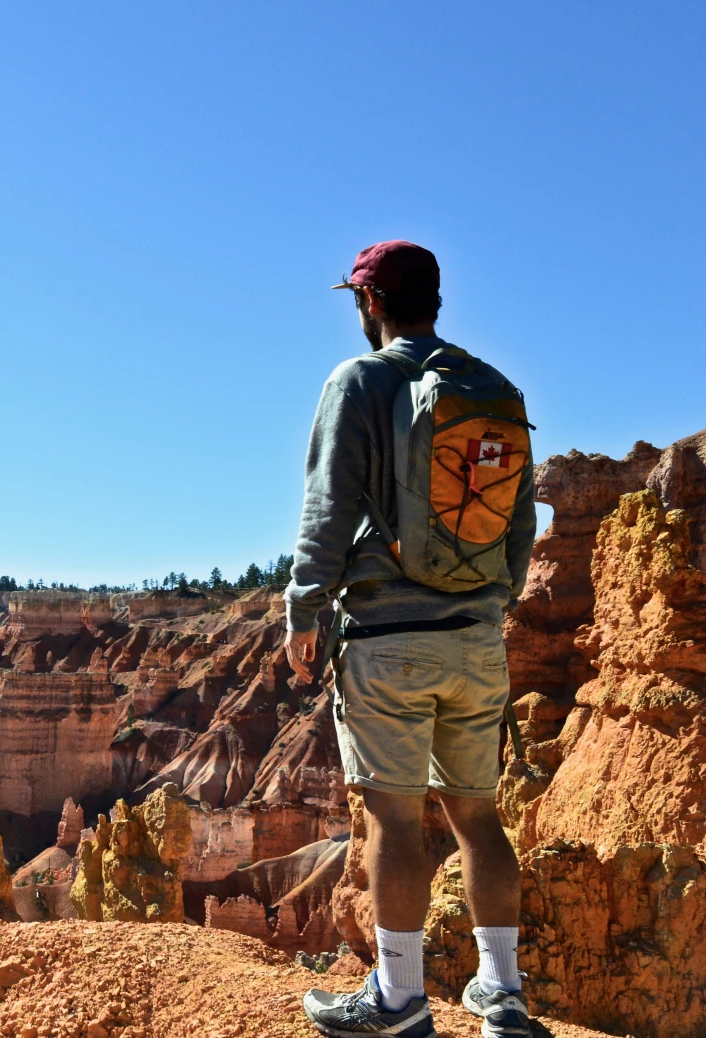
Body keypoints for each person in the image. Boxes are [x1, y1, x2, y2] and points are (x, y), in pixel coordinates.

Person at [286, 241, 536, 1038]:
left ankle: (397, 1000)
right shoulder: (493, 391)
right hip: (476, 636)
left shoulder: (358, 380)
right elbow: (520, 525)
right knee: (479, 817)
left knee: (395, 822)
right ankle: (503, 996)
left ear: (370, 303)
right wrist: (488, 604)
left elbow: (327, 513)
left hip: (389, 641)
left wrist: (304, 612)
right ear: (436, 299)